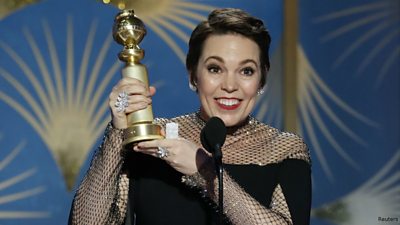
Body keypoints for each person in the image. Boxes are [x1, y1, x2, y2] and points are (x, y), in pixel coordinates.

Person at [69, 8, 311, 225]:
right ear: (193, 75)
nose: (230, 85)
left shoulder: (283, 149)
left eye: (246, 71)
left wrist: (203, 170)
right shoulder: (152, 140)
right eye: (215, 68)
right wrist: (118, 131)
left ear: (262, 79)